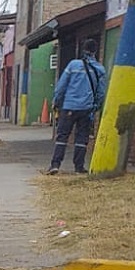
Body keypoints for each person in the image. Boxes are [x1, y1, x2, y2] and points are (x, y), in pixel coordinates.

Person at [47, 38, 107, 175]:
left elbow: (62, 86)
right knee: (82, 137)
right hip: (86, 109)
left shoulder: (73, 65)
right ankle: (79, 167)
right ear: (95, 51)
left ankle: (55, 164)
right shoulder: (100, 69)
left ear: (83, 49)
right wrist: (95, 106)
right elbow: (101, 92)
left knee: (62, 136)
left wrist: (56, 101)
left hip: (69, 107)